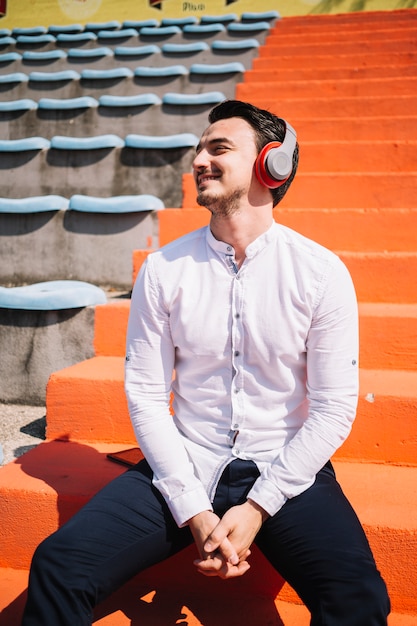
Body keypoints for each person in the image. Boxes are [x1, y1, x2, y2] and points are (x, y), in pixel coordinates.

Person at [22, 99, 390, 625]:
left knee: (360, 600)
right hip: (187, 461)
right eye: (199, 149)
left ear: (271, 164)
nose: (199, 159)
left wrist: (258, 506)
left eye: (219, 148)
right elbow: (147, 396)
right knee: (58, 565)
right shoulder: (163, 269)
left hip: (284, 467)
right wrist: (194, 509)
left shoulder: (321, 273)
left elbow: (333, 409)